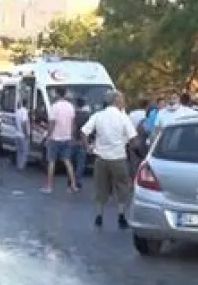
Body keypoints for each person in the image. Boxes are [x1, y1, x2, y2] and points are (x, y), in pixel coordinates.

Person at [80, 90, 138, 228]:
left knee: (101, 187)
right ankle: (121, 216)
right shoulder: (122, 117)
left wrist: (88, 147)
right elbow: (133, 138)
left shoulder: (98, 116)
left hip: (101, 158)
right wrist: (134, 149)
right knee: (122, 187)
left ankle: (99, 216)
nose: (123, 102)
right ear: (116, 101)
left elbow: (83, 132)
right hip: (118, 157)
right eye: (121, 99)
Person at [42, 87, 79, 193]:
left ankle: (49, 186)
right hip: (67, 137)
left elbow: (52, 123)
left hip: (55, 138)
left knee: (51, 162)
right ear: (65, 93)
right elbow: (73, 123)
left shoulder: (54, 107)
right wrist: (71, 135)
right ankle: (73, 185)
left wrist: (48, 136)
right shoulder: (70, 106)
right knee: (67, 161)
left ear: (57, 94)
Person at [68, 97, 91, 189]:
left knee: (71, 162)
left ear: (76, 104)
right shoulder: (87, 116)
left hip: (72, 141)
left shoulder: (73, 114)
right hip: (82, 141)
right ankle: (78, 181)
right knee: (80, 163)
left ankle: (70, 180)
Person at [13, 99, 30, 170]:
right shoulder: (24, 111)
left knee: (19, 151)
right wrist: (26, 134)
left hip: (17, 134)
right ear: (26, 104)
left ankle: (19, 165)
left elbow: (15, 123)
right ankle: (22, 166)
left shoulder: (17, 111)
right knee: (24, 151)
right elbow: (24, 123)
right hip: (23, 135)